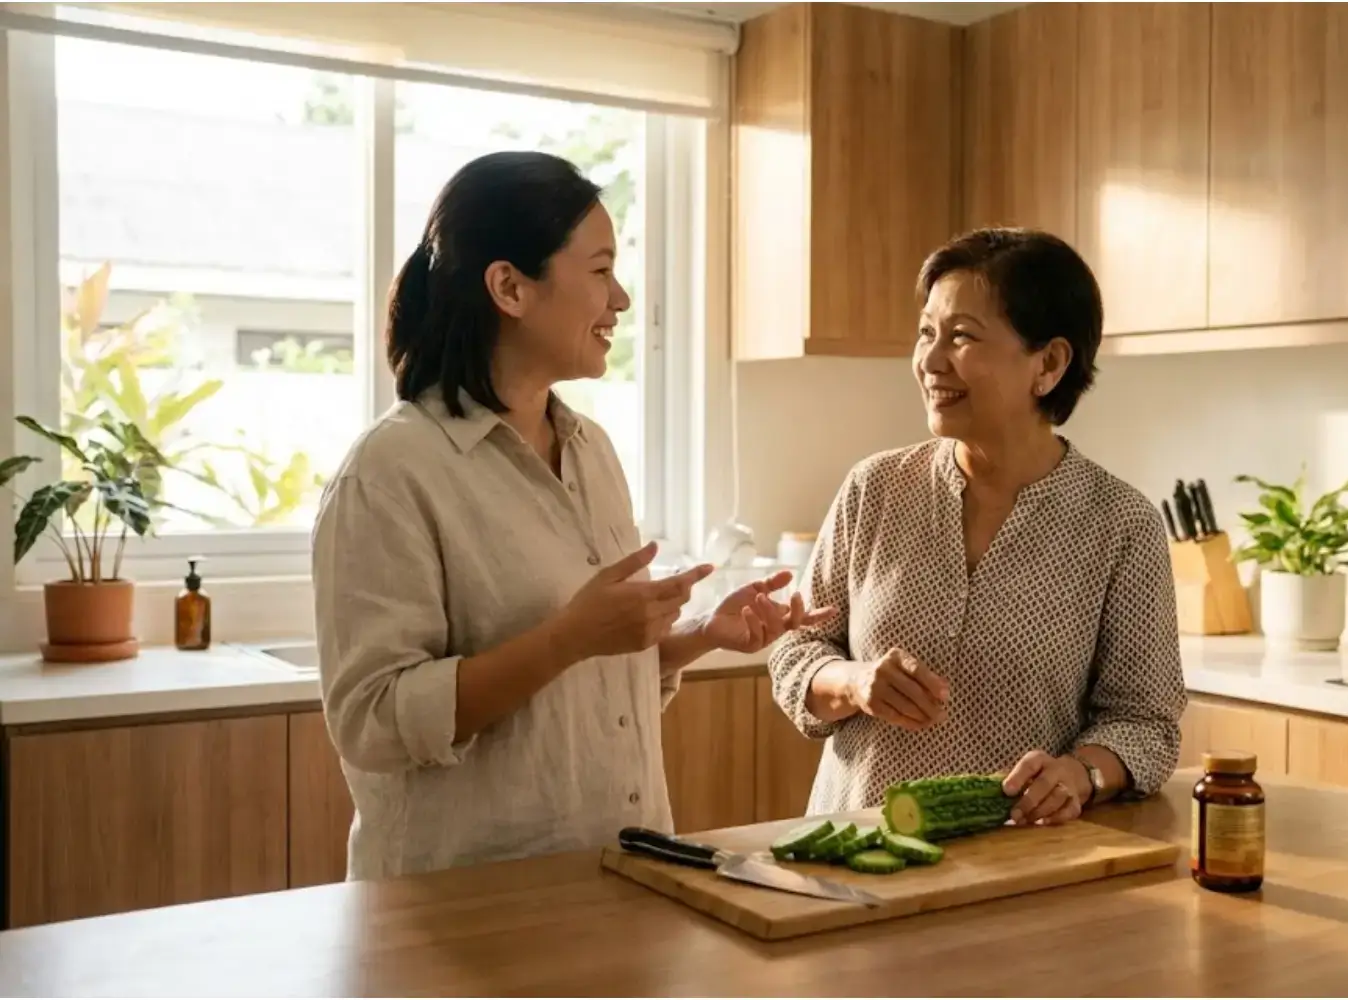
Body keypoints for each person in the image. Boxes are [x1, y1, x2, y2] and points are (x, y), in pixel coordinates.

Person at [311, 150, 831, 880]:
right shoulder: (391, 473)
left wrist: (693, 639)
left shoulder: (591, 450)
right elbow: (373, 721)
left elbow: (586, 682)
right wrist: (569, 638)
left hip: (620, 870)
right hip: (468, 904)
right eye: (599, 270)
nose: (620, 299)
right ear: (510, 287)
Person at [768, 227, 1186, 825]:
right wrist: (854, 682)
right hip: (853, 845)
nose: (930, 362)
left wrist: (1083, 773)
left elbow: (1145, 723)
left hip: (1015, 863)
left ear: (1049, 363)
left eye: (961, 337)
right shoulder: (874, 489)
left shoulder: (1120, 525)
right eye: (926, 333)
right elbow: (796, 650)